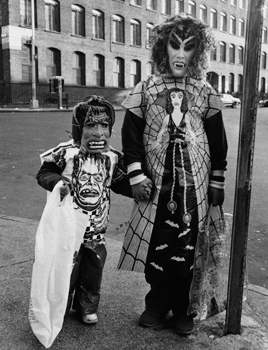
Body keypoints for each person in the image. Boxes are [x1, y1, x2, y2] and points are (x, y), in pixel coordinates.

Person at [117, 14, 228, 335]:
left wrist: (217, 181)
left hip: (195, 189)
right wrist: (136, 175)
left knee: (188, 245)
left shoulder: (205, 92)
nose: (180, 55)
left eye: (188, 48)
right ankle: (156, 302)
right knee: (157, 242)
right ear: (162, 47)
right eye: (174, 46)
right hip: (157, 186)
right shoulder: (147, 88)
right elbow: (132, 135)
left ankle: (182, 308)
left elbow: (217, 140)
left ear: (199, 52)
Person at [36, 95, 132, 325]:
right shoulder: (65, 153)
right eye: (91, 125)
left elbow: (119, 183)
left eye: (104, 125)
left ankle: (87, 307)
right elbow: (44, 173)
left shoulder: (113, 158)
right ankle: (59, 305)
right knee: (65, 269)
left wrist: (139, 189)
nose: (99, 132)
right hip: (67, 229)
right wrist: (57, 182)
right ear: (78, 128)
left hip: (96, 231)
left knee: (93, 270)